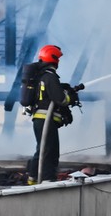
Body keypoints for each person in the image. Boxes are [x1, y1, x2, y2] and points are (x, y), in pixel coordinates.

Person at [27, 45, 81, 184]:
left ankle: (33, 179)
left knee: (43, 149)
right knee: (50, 151)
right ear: (54, 58)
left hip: (40, 118)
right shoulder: (50, 77)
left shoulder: (40, 77)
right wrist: (70, 96)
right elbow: (61, 99)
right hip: (46, 119)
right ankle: (47, 180)